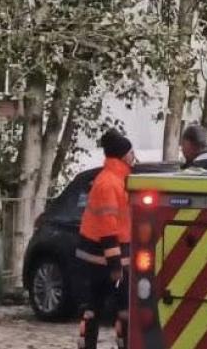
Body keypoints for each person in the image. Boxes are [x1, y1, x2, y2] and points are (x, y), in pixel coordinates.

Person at [76, 128, 135, 349]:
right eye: (130, 153)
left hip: (95, 258)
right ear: (122, 155)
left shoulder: (113, 179)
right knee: (117, 308)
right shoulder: (110, 183)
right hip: (104, 261)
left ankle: (89, 344)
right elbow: (108, 229)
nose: (133, 157)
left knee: (94, 308)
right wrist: (116, 265)